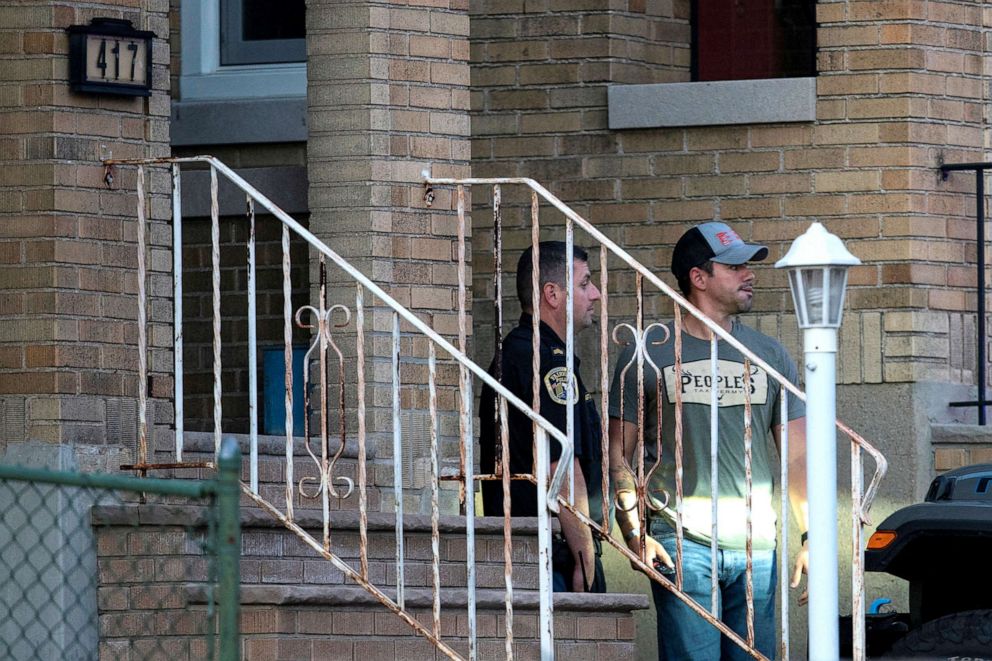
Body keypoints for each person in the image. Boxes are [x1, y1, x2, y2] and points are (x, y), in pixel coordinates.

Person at [608, 221, 809, 659]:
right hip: (682, 541)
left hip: (757, 546)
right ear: (698, 278)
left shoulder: (770, 356)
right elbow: (617, 455)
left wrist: (811, 535)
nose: (749, 274)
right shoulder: (646, 352)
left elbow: (797, 457)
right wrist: (633, 532)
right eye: (734, 266)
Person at [479, 241, 607, 593]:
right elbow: (561, 467)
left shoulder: (529, 352)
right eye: (584, 284)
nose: (595, 294)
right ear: (552, 293)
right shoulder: (542, 360)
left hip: (537, 549)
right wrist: (584, 556)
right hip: (550, 555)